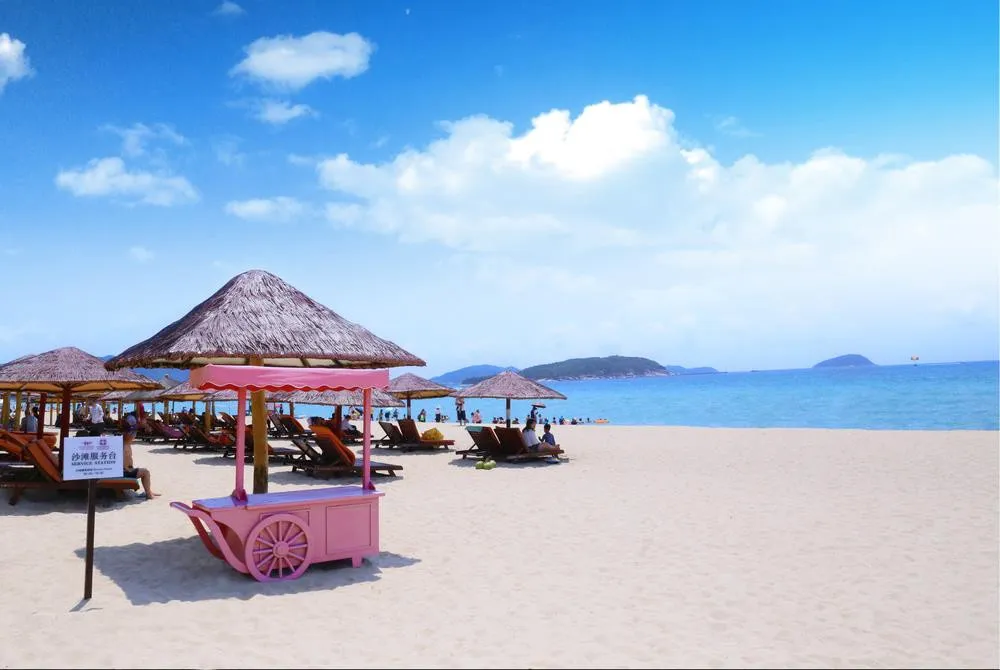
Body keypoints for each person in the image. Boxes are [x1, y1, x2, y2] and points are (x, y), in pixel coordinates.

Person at [122, 412, 159, 499]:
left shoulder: (124, 442)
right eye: (133, 434)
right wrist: (130, 469)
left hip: (124, 470)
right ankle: (149, 494)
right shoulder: (125, 444)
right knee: (145, 472)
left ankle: (149, 491)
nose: (134, 436)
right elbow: (124, 463)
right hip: (124, 472)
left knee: (143, 471)